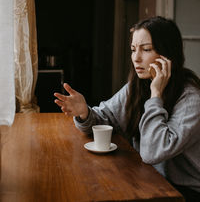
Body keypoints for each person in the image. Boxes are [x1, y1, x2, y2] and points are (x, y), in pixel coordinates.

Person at [54, 16, 200, 202]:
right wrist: (84, 112)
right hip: (151, 178)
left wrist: (156, 96)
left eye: (146, 49)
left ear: (168, 54)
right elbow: (105, 118)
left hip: (186, 192)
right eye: (133, 50)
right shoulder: (137, 87)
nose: (136, 58)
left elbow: (153, 152)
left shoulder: (191, 99)